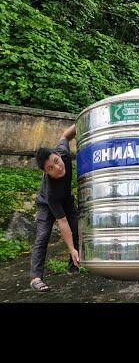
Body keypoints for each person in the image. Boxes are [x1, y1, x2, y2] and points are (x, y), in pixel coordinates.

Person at [29, 124, 80, 292]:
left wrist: (82, 121)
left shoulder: (63, 153)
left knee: (77, 228)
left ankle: (73, 268)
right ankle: (36, 278)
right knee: (43, 236)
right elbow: (62, 222)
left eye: (56, 162)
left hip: (66, 199)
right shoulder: (51, 192)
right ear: (46, 173)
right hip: (46, 203)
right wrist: (70, 248)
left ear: (58, 155)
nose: (57, 168)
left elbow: (65, 135)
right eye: (51, 169)